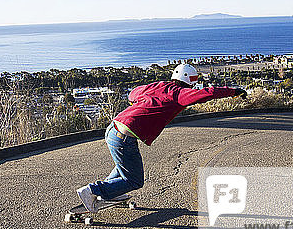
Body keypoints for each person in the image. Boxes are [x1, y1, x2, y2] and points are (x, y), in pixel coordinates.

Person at [76, 63, 247, 212]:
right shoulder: (180, 94)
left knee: (124, 167)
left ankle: (107, 192)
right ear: (191, 81)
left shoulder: (157, 86)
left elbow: (133, 94)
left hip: (113, 129)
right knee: (135, 180)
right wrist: (233, 92)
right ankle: (92, 191)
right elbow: (207, 93)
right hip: (124, 136)